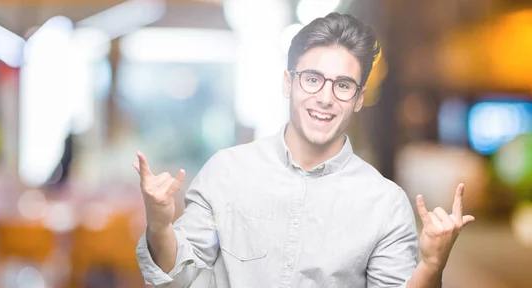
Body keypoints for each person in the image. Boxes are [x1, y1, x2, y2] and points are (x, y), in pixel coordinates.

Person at [134, 12, 474, 288]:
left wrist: (431, 265)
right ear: (288, 82)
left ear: (359, 99)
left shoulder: (385, 204)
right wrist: (160, 225)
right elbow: (175, 279)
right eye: (312, 79)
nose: (325, 98)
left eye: (343, 86)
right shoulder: (226, 171)